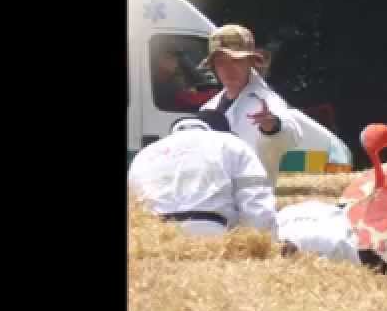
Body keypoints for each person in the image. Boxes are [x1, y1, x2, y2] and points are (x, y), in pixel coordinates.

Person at [128, 110, 277, 236]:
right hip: (213, 231)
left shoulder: (145, 154)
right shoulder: (232, 144)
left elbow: (133, 207)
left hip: (157, 236)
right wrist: (256, 239)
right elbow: (256, 200)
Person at [199, 24, 302, 186]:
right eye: (221, 62)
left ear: (251, 62)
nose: (228, 69)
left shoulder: (267, 102)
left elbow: (292, 137)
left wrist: (272, 126)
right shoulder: (207, 108)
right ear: (213, 67)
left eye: (236, 60)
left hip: (252, 200)